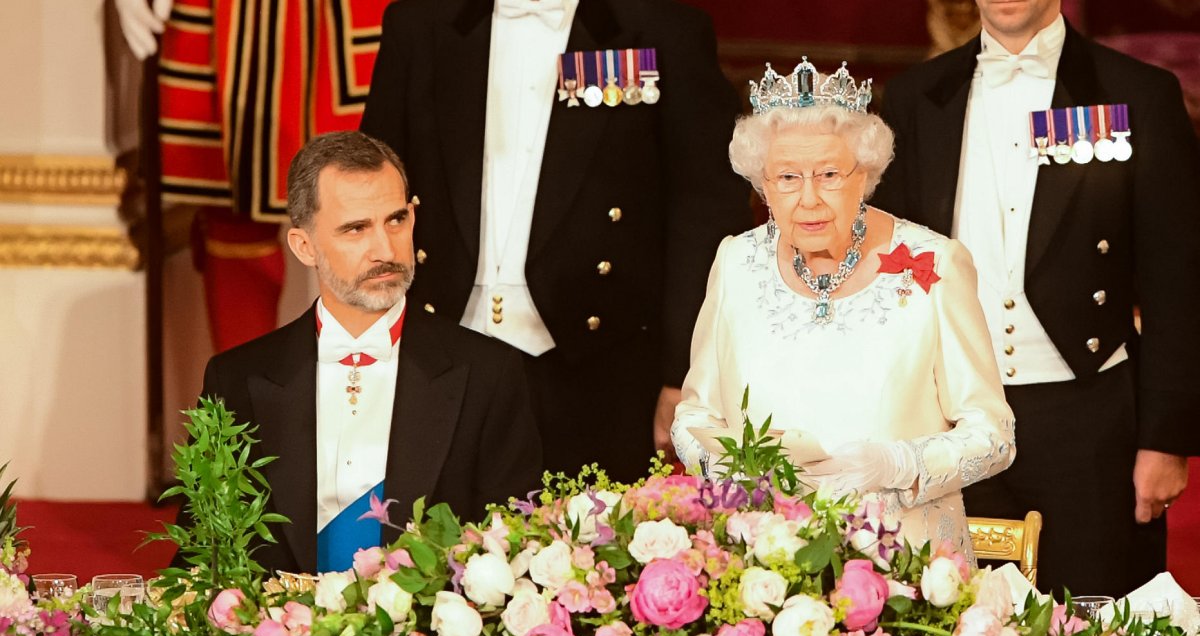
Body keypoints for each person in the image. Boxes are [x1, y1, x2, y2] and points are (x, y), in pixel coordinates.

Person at [874, 0, 1200, 596]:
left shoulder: (1136, 93)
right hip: (950, 415)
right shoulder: (916, 97)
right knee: (950, 629)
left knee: (1092, 631)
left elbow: (1176, 278)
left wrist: (1166, 437)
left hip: (1088, 417)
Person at [360, 0, 752, 482]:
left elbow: (704, 204)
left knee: (589, 549)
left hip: (602, 368)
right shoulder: (421, 21)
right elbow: (371, 190)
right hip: (440, 354)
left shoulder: (658, 26)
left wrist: (683, 374)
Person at [672, 60, 1016, 556]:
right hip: (763, 565)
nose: (808, 199)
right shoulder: (735, 262)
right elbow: (694, 416)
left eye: (829, 174)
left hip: (907, 573)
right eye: (787, 177)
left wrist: (900, 464)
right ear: (763, 184)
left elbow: (994, 435)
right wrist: (727, 461)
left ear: (866, 175)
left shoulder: (935, 264)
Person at [198, 131, 543, 574]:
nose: (385, 250)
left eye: (395, 220)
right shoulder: (236, 381)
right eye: (356, 228)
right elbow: (204, 558)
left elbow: (513, 550)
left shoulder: (487, 373)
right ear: (304, 246)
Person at [115, 0, 391, 352]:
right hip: (229, 15)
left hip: (345, 16)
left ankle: (374, 401)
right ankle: (239, 403)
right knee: (230, 208)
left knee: (367, 203)